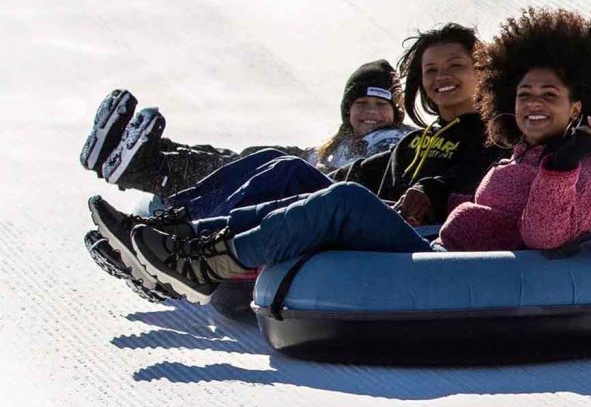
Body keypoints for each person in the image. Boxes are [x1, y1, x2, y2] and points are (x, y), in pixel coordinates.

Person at [123, 8, 591, 304]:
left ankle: (209, 262)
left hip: (446, 264)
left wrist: (563, 165)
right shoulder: (518, 152)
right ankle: (189, 242)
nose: (532, 104)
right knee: (309, 180)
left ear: (579, 106)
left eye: (548, 95)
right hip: (431, 250)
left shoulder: (585, 171)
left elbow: (545, 235)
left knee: (343, 201)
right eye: (523, 95)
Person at [89, 22, 503, 299]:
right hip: (379, 218)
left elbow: (489, 170)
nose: (440, 76)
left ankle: (200, 256)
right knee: (284, 166)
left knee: (339, 195)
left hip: (417, 239)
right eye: (431, 69)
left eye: (455, 66)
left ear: (481, 72)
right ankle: (176, 230)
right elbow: (353, 173)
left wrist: (433, 187)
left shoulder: (494, 131)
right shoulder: (418, 141)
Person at [83, 59, 410, 300]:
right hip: (320, 198)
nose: (371, 112)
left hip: (348, 215)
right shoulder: (337, 146)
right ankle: (151, 164)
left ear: (396, 112)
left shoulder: (395, 139)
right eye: (361, 103)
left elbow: (361, 180)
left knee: (285, 169)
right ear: (346, 110)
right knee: (258, 158)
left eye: (380, 105)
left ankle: (174, 217)